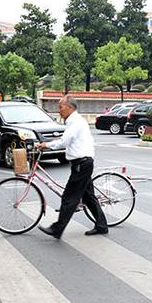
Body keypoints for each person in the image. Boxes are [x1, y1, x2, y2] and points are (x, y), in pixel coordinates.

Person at [36, 95, 108, 239]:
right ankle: (102, 226)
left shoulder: (75, 122)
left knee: (69, 197)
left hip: (81, 164)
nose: (59, 111)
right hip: (83, 163)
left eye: (60, 107)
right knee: (88, 197)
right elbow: (66, 139)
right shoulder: (74, 121)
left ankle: (57, 229)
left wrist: (46, 145)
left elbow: (64, 141)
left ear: (69, 107)